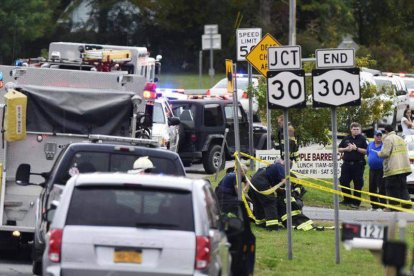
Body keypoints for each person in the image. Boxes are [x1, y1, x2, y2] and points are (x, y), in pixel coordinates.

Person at [376, 124, 412, 209]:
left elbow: (385, 153)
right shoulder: (400, 138)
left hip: (393, 169)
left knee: (391, 187)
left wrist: (378, 153)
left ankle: (393, 206)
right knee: (403, 187)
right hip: (403, 168)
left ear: (386, 131)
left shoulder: (388, 139)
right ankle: (407, 205)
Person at [248, 161, 286, 231]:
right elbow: (284, 181)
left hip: (253, 182)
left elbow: (273, 184)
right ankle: (273, 227)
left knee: (258, 203)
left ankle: (260, 223)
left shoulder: (269, 168)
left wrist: (277, 188)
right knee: (270, 202)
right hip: (261, 182)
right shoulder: (280, 166)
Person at [338, 122, 368, 209]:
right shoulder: (346, 138)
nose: (355, 131)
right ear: (351, 130)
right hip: (347, 164)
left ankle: (356, 203)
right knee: (343, 181)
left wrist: (356, 149)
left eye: (357, 129)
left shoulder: (363, 139)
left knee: (357, 184)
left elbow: (367, 151)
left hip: (358, 164)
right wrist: (346, 149)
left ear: (360, 130)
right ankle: (347, 200)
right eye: (354, 129)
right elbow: (339, 149)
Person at [366, 130, 386, 211]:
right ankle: (374, 206)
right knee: (372, 188)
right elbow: (368, 153)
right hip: (372, 169)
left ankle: (382, 206)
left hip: (381, 169)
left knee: (381, 188)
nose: (379, 137)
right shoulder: (370, 144)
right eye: (377, 136)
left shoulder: (384, 145)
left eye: (380, 136)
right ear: (374, 136)